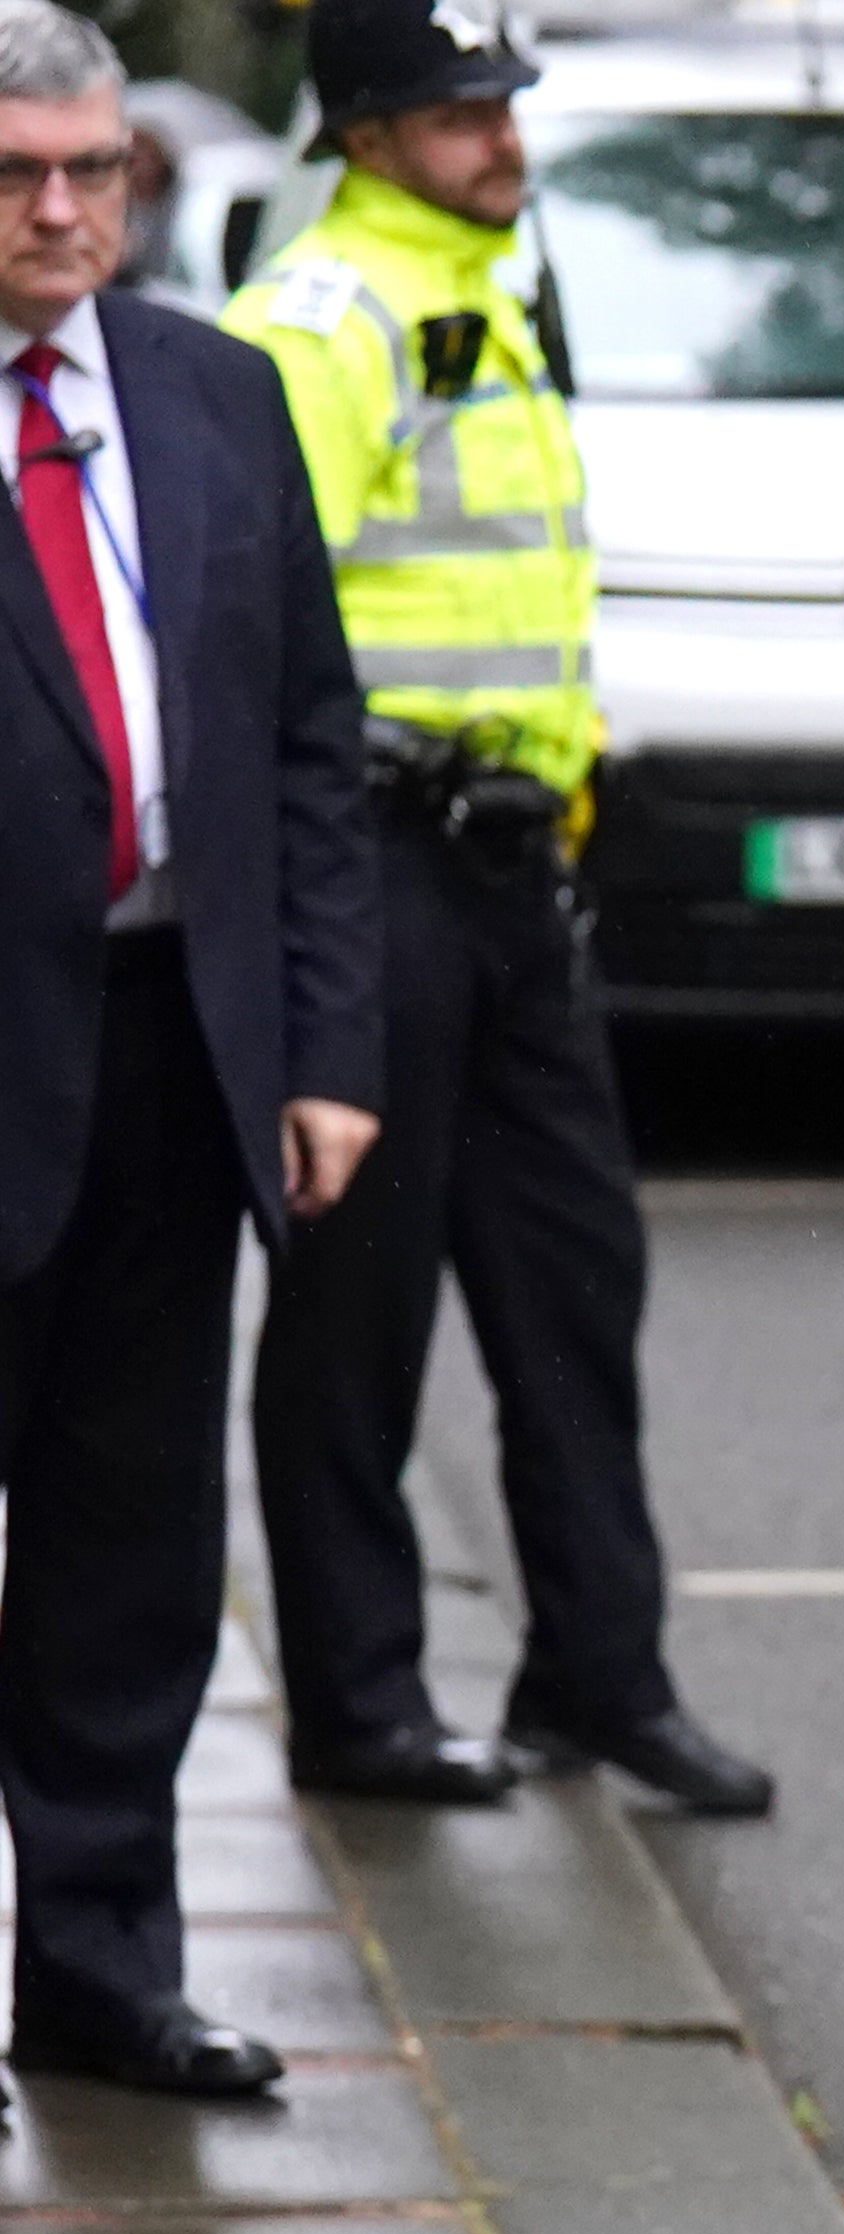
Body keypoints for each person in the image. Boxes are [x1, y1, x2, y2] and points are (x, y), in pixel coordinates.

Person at [230, 0, 772, 1820]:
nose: (502, 141)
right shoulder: (326, 323)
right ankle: (361, 1705)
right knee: (356, 1314)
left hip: (511, 863)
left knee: (573, 1279)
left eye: (505, 106)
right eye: (463, 114)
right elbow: (258, 627)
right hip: (372, 863)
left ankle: (600, 1674)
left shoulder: (488, 289)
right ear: (366, 134)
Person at [0, 0, 379, 2101]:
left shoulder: (215, 395)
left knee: (132, 1540)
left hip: (178, 1056)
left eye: (94, 173)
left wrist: (326, 1042)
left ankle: (100, 1969)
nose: (65, 214)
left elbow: (309, 744)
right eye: (20, 178)